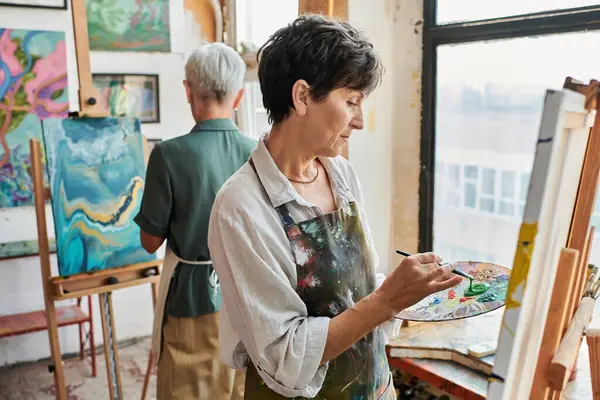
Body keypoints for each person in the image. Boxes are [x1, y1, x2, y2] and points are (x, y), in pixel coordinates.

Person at [207, 14, 462, 400]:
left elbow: (355, 290)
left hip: (374, 388)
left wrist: (408, 291)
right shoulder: (241, 206)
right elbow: (285, 354)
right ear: (302, 96)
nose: (359, 121)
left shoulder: (340, 174)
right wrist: (387, 299)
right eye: (352, 101)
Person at [134, 42, 256, 400]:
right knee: (237, 388)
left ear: (188, 89)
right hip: (248, 295)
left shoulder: (168, 155)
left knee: (187, 389)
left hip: (190, 296)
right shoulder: (257, 153)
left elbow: (149, 242)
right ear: (239, 97)